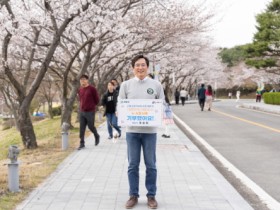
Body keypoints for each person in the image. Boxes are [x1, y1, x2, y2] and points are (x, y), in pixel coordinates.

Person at [118, 55, 164, 209]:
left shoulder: (156, 85)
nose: (140, 68)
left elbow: (161, 105)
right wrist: (120, 113)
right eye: (137, 65)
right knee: (132, 164)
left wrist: (157, 112)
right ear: (133, 68)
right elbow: (120, 105)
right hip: (132, 132)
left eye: (143, 65)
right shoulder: (126, 85)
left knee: (151, 165)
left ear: (147, 67)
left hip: (150, 132)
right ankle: (133, 195)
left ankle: (151, 196)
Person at [77, 74, 100, 150]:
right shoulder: (80, 89)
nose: (82, 81)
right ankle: (82, 143)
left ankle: (96, 135)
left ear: (87, 80)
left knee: (91, 126)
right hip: (82, 111)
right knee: (82, 128)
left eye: (84, 79)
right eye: (81, 80)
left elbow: (97, 100)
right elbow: (80, 99)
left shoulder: (92, 89)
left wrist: (92, 106)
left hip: (90, 111)